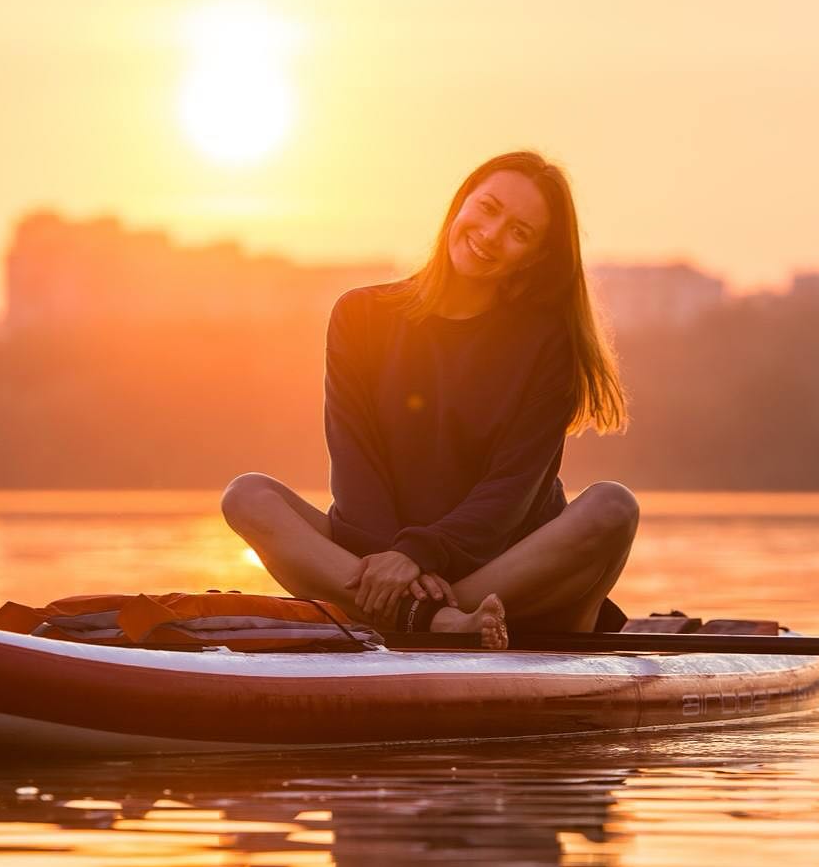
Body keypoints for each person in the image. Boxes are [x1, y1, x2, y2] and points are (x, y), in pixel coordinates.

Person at [221, 150, 637, 649]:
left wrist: (419, 555)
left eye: (519, 232)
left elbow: (510, 490)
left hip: (506, 573)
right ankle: (433, 622)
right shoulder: (361, 315)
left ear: (535, 257)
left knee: (614, 507)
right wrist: (396, 561)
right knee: (247, 496)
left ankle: (425, 616)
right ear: (460, 204)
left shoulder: (549, 343)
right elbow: (356, 466)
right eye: (487, 208)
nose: (490, 234)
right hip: (381, 562)